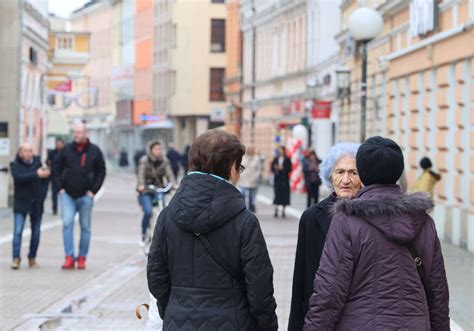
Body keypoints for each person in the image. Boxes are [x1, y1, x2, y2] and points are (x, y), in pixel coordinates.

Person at [304, 136, 450, 331]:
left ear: (362, 175)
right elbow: (438, 292)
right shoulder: (424, 222)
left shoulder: (347, 220)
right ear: (398, 173)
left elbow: (329, 292)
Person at [147, 129, 278, 331]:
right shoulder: (245, 221)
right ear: (231, 168)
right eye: (239, 167)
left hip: (178, 321)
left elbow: (156, 276)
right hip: (234, 321)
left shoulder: (167, 217)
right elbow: (260, 288)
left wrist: (175, 309)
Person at [288, 142, 361, 331]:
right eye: (340, 172)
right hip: (320, 318)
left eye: (353, 173)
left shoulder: (371, 216)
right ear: (330, 175)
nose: (346, 180)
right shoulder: (312, 217)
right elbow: (301, 279)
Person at [56, 122, 106, 270]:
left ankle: (82, 257)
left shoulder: (95, 151)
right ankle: (69, 257)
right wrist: (60, 188)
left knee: (85, 227)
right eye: (74, 132)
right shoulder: (66, 150)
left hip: (86, 195)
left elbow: (101, 172)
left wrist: (93, 191)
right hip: (67, 195)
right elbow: (56, 169)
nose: (76, 135)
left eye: (79, 132)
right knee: (67, 223)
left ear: (85, 133)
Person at [9, 143, 50, 269]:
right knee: (18, 232)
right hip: (21, 203)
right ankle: (16, 258)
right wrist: (36, 174)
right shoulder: (15, 165)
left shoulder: (38, 164)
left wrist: (42, 195)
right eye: (25, 151)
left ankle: (32, 257)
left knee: (36, 233)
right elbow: (19, 178)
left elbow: (45, 180)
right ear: (20, 153)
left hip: (36, 203)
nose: (28, 153)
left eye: (30, 151)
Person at [137, 140, 176, 245]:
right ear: (151, 150)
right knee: (148, 211)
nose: (158, 151)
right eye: (156, 149)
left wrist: (173, 184)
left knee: (163, 211)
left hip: (158, 188)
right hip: (146, 189)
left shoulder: (165, 160)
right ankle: (143, 234)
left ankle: (164, 235)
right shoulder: (144, 160)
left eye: (160, 149)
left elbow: (169, 173)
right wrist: (141, 185)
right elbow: (141, 173)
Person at [237, 145, 262, 212]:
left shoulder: (256, 159)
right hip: (243, 180)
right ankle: (243, 208)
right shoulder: (243, 158)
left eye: (252, 150)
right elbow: (239, 167)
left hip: (252, 181)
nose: (251, 151)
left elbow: (259, 170)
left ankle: (251, 208)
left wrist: (256, 177)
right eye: (249, 150)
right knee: (242, 194)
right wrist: (240, 176)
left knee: (251, 196)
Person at [271, 146, 292, 218]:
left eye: (281, 150)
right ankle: (276, 210)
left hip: (285, 179)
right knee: (277, 194)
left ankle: (283, 210)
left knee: (284, 195)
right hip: (277, 179)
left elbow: (290, 168)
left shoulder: (287, 159)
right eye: (278, 150)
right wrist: (276, 169)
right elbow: (272, 168)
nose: (279, 151)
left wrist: (283, 169)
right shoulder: (275, 159)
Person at [47, 138, 65, 215]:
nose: (58, 144)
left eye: (59, 143)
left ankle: (64, 208)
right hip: (54, 176)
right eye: (57, 143)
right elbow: (48, 161)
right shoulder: (52, 152)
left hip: (63, 177)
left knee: (63, 194)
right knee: (54, 194)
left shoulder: (66, 152)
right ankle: (54, 208)